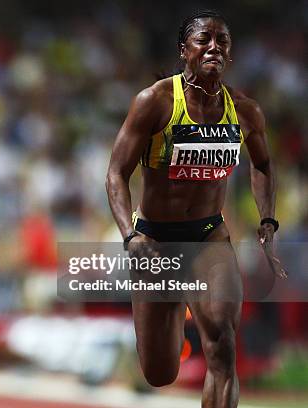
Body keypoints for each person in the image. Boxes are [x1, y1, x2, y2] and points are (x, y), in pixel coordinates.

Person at [106, 10, 286, 408]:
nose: (214, 48)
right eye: (204, 39)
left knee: (222, 345)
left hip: (208, 237)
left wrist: (267, 219)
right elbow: (116, 173)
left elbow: (263, 164)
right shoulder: (154, 102)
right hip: (155, 241)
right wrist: (130, 235)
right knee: (160, 371)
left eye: (222, 41)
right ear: (183, 49)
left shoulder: (243, 110)